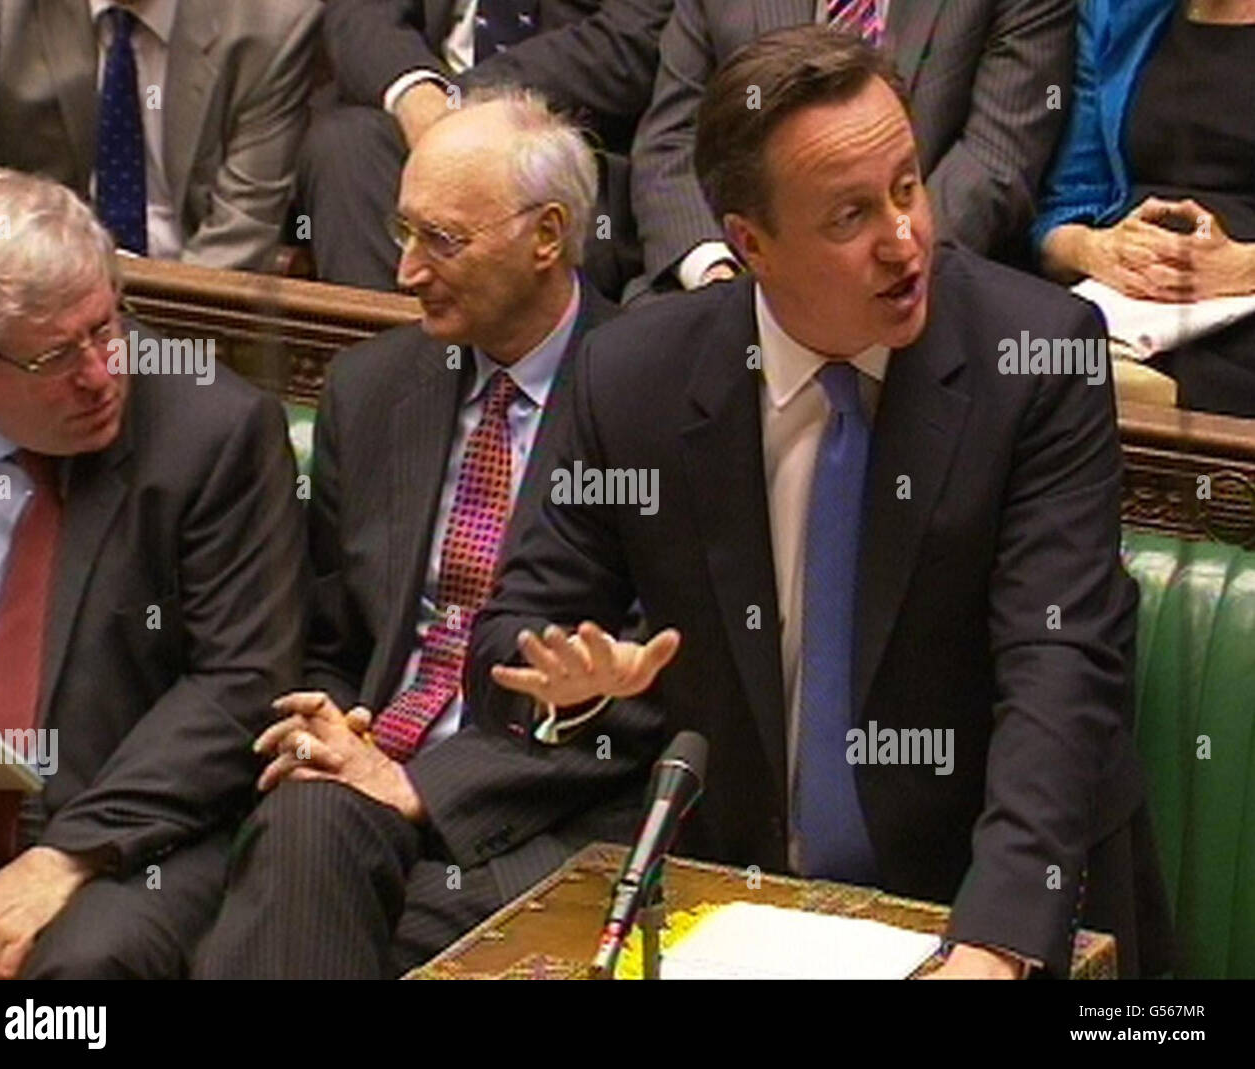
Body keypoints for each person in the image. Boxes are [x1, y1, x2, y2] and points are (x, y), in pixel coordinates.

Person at [468, 26, 1172, 978]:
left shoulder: (1035, 357)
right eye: (850, 217)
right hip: (743, 917)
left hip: (992, 896)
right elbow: (516, 631)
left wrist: (996, 941)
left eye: (908, 186)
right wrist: (566, 681)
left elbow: (1062, 667)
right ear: (749, 243)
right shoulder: (634, 376)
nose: (905, 239)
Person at [194, 91, 664, 980]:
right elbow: (332, 638)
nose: (406, 271)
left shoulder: (656, 389)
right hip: (368, 779)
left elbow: (672, 672)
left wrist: (424, 786)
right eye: (403, 231)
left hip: (551, 808)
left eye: (442, 241)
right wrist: (329, 722)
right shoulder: (371, 388)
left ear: (547, 236)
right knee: (304, 825)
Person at [0, 169, 304, 979]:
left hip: (128, 829)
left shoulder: (214, 431)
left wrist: (69, 855)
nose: (101, 375)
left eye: (104, 328)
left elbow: (243, 682)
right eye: (54, 355)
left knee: (76, 979)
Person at [629, 0, 1075, 298]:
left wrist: (860, 263)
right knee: (625, 363)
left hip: (918, 281)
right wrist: (718, 275)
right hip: (731, 276)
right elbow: (674, 140)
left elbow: (994, 159)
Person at [296, 0, 673, 298]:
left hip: (567, 135)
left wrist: (462, 103)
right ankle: (385, 376)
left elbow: (632, 37)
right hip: (420, 107)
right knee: (344, 147)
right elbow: (362, 12)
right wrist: (416, 91)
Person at [0, 0, 322, 272]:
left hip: (192, 294)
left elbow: (244, 226)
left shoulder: (275, 20)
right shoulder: (0, 6)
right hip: (31, 274)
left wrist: (147, 334)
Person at [1033, 0, 1255, 417]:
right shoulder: (1113, 13)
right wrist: (1096, 251)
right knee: (1016, 353)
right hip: (1131, 299)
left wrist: (1243, 269)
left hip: (1242, 303)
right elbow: (1062, 210)